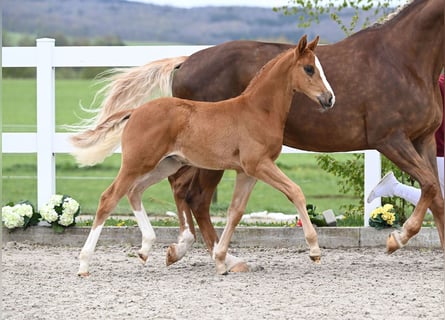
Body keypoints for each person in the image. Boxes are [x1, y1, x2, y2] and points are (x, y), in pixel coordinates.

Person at [367, 74, 444, 207]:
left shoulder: (435, 82)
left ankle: (394, 187)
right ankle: (394, 188)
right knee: (436, 201)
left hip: (436, 148)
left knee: (437, 200)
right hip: (439, 150)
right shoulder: (438, 84)